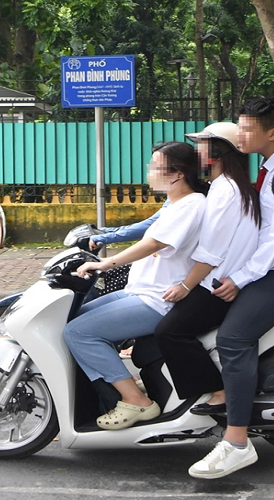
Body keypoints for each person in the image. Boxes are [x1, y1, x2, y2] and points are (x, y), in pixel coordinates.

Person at [187, 97, 274, 479]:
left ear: (272, 133)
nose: (240, 134)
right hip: (271, 266)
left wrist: (241, 277)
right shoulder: (270, 168)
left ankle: (236, 442)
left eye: (247, 129)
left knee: (233, 339)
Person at [64, 141, 208, 430]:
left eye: (155, 166)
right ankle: (112, 386)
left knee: (78, 332)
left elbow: (153, 243)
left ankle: (137, 402)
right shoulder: (175, 203)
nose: (149, 171)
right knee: (74, 318)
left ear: (177, 173)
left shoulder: (191, 204)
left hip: (157, 300)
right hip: (139, 292)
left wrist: (106, 263)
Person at [152, 122, 260, 408]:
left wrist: (185, 286)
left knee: (169, 332)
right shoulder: (227, 186)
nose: (196, 154)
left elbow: (211, 253)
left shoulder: (225, 191)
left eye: (201, 147)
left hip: (218, 286)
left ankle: (218, 392)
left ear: (216, 153)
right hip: (223, 280)